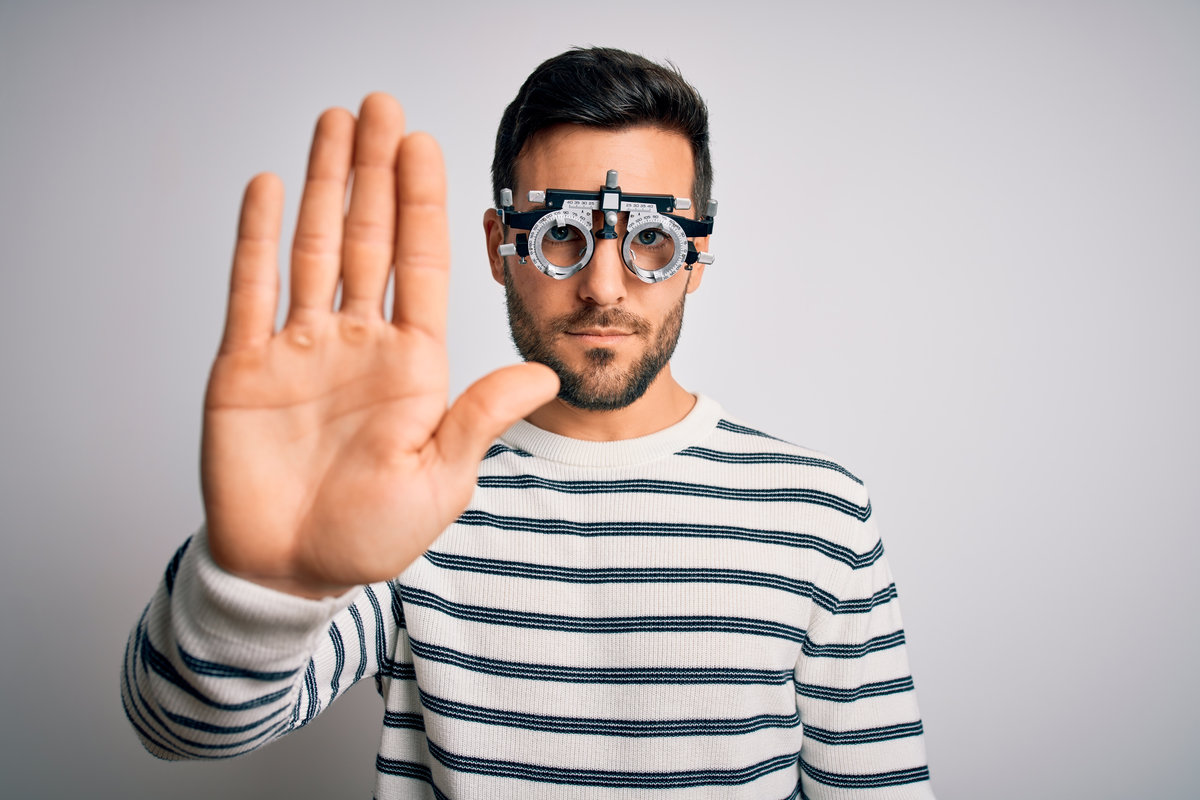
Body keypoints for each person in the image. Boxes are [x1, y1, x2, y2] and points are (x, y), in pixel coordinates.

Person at [121, 47, 935, 799]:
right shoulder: (410, 494)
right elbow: (178, 727)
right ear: (501, 246)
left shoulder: (818, 512)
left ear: (695, 255)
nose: (604, 287)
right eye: (562, 236)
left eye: (651, 236)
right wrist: (266, 577)